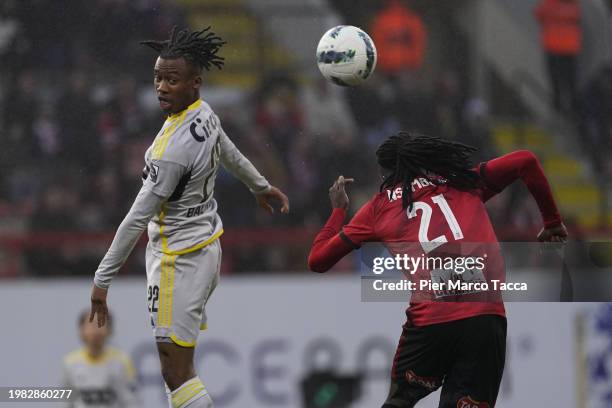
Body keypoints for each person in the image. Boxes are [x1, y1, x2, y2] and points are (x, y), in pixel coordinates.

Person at [89, 26, 290, 408]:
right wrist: (259, 185)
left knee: (174, 369)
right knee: (178, 368)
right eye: (158, 78)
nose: (162, 87)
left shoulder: (168, 152)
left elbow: (135, 220)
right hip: (206, 246)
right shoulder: (203, 113)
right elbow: (228, 149)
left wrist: (101, 280)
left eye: (172, 80)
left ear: (195, 83)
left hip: (175, 261)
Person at [308, 132, 567, 407]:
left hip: (432, 320)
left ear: (384, 173)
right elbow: (525, 160)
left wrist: (338, 210)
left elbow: (317, 260)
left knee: (400, 399)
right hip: (484, 315)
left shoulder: (378, 208)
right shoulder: (464, 182)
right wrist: (551, 221)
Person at [62, 310, 140, 408]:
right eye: (91, 324)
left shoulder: (122, 362)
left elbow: (132, 401)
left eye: (101, 324)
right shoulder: (70, 363)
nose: (96, 330)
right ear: (81, 330)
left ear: (109, 330)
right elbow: (66, 403)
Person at [535, 0, 582, 113]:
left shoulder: (549, 4)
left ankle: (558, 105)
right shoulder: (573, 5)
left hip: (553, 45)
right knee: (570, 79)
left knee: (555, 78)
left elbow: (539, 15)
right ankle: (573, 106)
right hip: (570, 46)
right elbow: (578, 18)